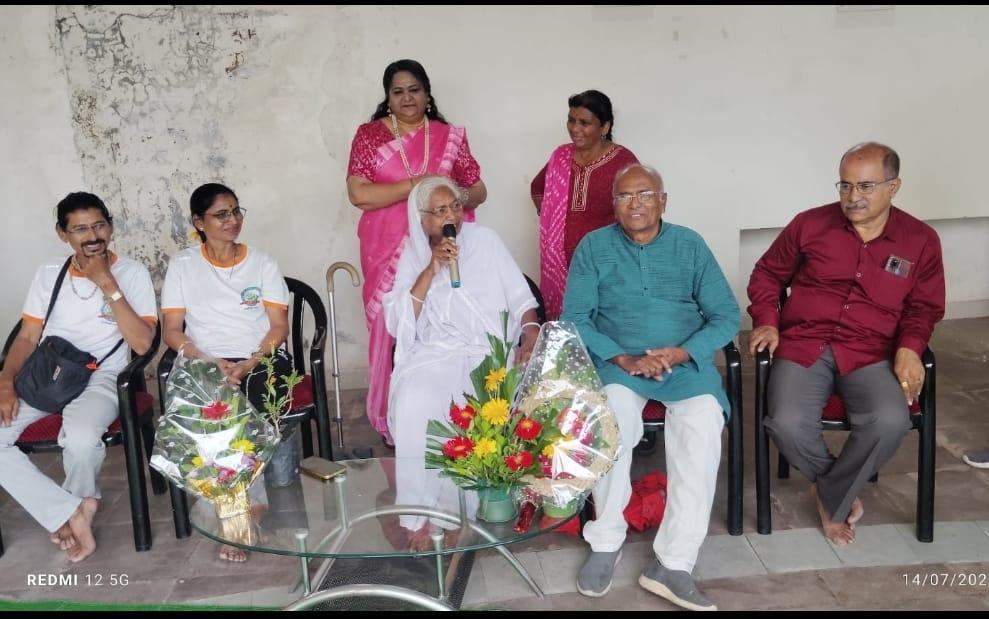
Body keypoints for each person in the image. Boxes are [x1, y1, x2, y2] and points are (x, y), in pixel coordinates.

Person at [747, 142, 945, 546]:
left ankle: (830, 494)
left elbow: (924, 306)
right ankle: (837, 491)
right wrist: (767, 320)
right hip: (805, 343)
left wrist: (910, 347)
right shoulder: (809, 224)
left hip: (873, 351)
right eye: (845, 185)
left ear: (894, 187)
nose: (853, 197)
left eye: (866, 186)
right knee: (785, 422)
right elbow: (767, 274)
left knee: (890, 420)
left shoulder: (921, 240)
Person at [562, 164, 738, 611]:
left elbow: (725, 316)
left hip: (683, 363)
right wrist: (623, 358)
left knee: (702, 425)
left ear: (663, 200)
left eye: (644, 194)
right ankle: (605, 541)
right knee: (612, 416)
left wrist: (680, 352)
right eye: (625, 196)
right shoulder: (594, 247)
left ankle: (674, 562)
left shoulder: (690, 244)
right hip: (619, 362)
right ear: (614, 204)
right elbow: (576, 317)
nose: (635, 204)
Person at [0, 192, 157, 562]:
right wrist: (6, 382)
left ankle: (77, 511)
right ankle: (70, 511)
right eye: (80, 229)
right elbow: (27, 337)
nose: (93, 236)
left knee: (82, 439)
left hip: (102, 376)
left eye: (99, 225)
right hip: (48, 375)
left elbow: (142, 343)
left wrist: (106, 283)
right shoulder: (49, 274)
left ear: (111, 227)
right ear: (63, 234)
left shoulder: (132, 273)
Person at [383, 176, 537, 549]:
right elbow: (398, 321)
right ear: (421, 219)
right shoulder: (413, 254)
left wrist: (531, 333)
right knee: (415, 400)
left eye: (455, 206)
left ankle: (461, 515)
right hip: (435, 352)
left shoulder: (486, 241)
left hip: (488, 350)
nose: (452, 216)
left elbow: (521, 298)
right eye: (440, 211)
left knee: (473, 403)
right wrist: (431, 269)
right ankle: (420, 515)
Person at [347, 59, 488, 448]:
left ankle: (447, 408)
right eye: (398, 92)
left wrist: (447, 195)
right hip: (385, 248)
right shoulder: (370, 136)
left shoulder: (447, 136)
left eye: (414, 90)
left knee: (441, 320)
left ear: (427, 94)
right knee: (394, 324)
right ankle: (395, 415)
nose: (407, 98)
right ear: (388, 97)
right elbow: (359, 193)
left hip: (439, 243)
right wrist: (418, 185)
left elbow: (478, 190)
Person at [161, 182, 294, 562]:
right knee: (211, 409)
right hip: (204, 359)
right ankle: (244, 507)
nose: (232, 220)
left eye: (236, 211)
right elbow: (172, 331)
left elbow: (278, 327)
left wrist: (250, 362)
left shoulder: (262, 263)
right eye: (221, 214)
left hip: (259, 359)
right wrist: (207, 360)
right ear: (198, 222)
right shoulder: (183, 265)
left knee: (240, 405)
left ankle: (240, 511)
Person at [531, 89, 638, 320]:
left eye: (584, 123)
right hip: (559, 265)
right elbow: (537, 187)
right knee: (565, 326)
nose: (575, 128)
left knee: (602, 321)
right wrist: (551, 217)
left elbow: (636, 209)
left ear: (605, 127)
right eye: (571, 120)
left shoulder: (623, 161)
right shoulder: (560, 156)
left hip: (605, 264)